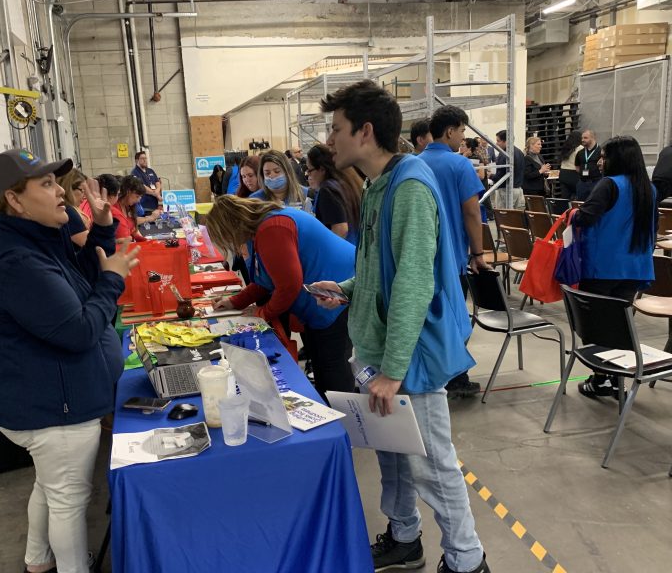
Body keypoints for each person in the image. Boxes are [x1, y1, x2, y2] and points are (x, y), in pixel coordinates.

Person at [314, 80, 489, 573]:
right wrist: (347, 289)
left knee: (434, 465)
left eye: (337, 129)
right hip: (380, 350)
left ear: (365, 132)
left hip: (409, 355)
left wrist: (394, 370)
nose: (331, 140)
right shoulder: (378, 186)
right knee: (393, 453)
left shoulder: (410, 187)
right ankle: (405, 537)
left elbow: (415, 281)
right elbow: (378, 264)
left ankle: (466, 561)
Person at [0, 149, 139, 573]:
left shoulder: (36, 239)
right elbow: (78, 329)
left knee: (51, 487)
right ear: (15, 199)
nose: (61, 193)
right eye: (46, 184)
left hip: (46, 398)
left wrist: (102, 230)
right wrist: (113, 280)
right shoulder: (18, 262)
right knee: (68, 497)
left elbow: (78, 276)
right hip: (52, 406)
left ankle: (38, 560)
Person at [207, 195, 355, 400]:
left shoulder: (271, 228)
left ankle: (345, 424)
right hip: (321, 295)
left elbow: (288, 286)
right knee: (321, 363)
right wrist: (235, 301)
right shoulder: (259, 231)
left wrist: (262, 313)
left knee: (331, 368)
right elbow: (265, 280)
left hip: (336, 292)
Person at [573, 136, 656, 399]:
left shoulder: (608, 185)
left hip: (603, 266)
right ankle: (617, 380)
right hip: (634, 268)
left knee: (596, 325)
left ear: (616, 159)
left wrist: (574, 214)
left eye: (605, 156)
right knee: (620, 324)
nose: (600, 160)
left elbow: (586, 218)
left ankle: (600, 379)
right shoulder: (649, 189)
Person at [419, 105, 489, 399]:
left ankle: (429, 373)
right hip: (452, 260)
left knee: (427, 319)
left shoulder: (415, 163)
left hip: (422, 257)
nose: (462, 137)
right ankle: (456, 378)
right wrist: (478, 253)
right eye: (461, 131)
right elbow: (472, 213)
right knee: (454, 318)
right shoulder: (460, 165)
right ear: (450, 130)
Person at [306, 144, 362, 245]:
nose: (308, 175)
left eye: (310, 170)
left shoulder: (328, 191)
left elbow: (340, 229)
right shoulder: (347, 183)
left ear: (322, 169)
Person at [492, 130, 525, 209]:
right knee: (516, 217)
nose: (496, 143)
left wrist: (490, 175)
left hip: (506, 191)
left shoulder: (504, 154)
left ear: (506, 141)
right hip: (518, 189)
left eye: (498, 141)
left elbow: (501, 176)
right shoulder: (519, 152)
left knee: (504, 217)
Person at [59, 168, 90, 248]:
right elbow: (92, 246)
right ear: (69, 188)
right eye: (82, 190)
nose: (84, 196)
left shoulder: (67, 208)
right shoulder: (69, 211)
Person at [113, 175, 147, 242]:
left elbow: (131, 228)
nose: (138, 200)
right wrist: (119, 241)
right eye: (137, 196)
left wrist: (137, 236)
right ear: (128, 192)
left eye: (140, 197)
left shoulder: (129, 207)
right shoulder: (114, 207)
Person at [575, 129, 602, 200]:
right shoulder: (580, 152)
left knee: (595, 203)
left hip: (596, 182)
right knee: (581, 204)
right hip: (582, 183)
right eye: (582, 138)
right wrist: (583, 173)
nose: (582, 140)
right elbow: (577, 167)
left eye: (585, 138)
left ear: (593, 138)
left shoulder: (601, 151)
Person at [558, 129, 583, 200]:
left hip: (563, 173)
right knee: (578, 196)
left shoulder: (566, 147)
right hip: (573, 174)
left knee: (565, 198)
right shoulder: (580, 148)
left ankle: (565, 210)